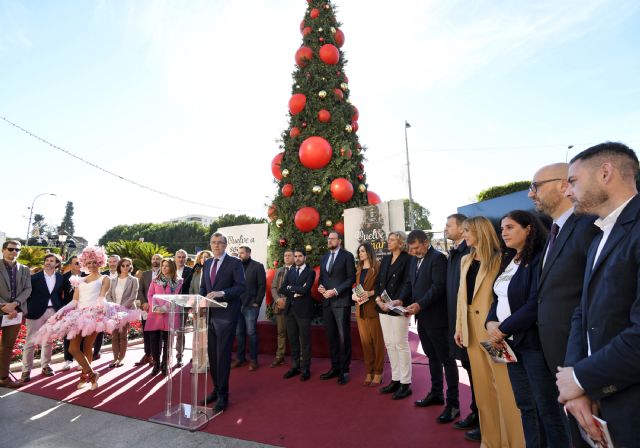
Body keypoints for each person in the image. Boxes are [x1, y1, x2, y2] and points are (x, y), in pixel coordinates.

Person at [558, 142, 640, 447]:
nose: (568, 192)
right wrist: (576, 383)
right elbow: (583, 311)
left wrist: (580, 378)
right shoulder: (598, 237)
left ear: (606, 172)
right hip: (601, 397)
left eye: (574, 181)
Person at [529, 162, 599, 447]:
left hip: (581, 358)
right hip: (555, 353)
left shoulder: (587, 226)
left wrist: (580, 365)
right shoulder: (555, 232)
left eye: (536, 186)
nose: (530, 194)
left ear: (563, 185)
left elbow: (592, 297)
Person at [486, 210, 570, 447]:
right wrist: (490, 322)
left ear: (529, 229)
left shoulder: (538, 260)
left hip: (531, 344)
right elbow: (498, 297)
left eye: (510, 227)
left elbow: (535, 302)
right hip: (508, 345)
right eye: (502, 228)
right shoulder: (509, 260)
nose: (504, 233)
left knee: (547, 408)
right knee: (525, 405)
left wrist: (503, 328)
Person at [454, 217, 524, 446]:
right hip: (471, 333)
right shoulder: (465, 260)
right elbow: (461, 297)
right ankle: (490, 441)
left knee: (505, 390)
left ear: (480, 232)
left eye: (467, 231)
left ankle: (513, 442)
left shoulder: (500, 259)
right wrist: (459, 327)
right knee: (482, 391)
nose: (464, 234)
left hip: (494, 332)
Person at [36, 246, 137, 390]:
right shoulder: (79, 280)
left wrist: (104, 308)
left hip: (94, 315)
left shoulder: (105, 278)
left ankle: (85, 376)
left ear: (100, 262)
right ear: (84, 263)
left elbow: (102, 296)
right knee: (73, 348)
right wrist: (62, 310)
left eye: (94, 262)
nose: (91, 265)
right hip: (78, 315)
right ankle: (92, 374)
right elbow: (75, 301)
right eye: (88, 262)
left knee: (88, 346)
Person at [404, 230, 459, 424]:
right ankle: (436, 393)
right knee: (432, 358)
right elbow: (412, 285)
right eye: (410, 249)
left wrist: (420, 304)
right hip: (422, 319)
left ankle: (453, 404)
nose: (413, 252)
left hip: (437, 318)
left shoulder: (438, 258)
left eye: (416, 248)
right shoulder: (413, 259)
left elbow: (438, 287)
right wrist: (400, 301)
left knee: (447, 360)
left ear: (426, 243)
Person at [199, 232, 246, 413]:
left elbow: (241, 286)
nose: (216, 245)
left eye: (220, 243)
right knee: (212, 355)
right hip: (211, 315)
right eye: (213, 243)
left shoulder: (235, 263)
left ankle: (223, 396)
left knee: (223, 355)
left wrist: (222, 293)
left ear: (226, 245)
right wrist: (201, 301)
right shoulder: (208, 263)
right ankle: (216, 389)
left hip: (227, 315)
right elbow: (204, 287)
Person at [444, 214, 480, 439]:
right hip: (457, 324)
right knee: (469, 369)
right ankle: (477, 413)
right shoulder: (456, 254)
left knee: (477, 374)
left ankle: (481, 416)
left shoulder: (469, 254)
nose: (445, 228)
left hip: (471, 325)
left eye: (449, 225)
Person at [375, 231, 412, 399]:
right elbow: (379, 282)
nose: (388, 242)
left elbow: (408, 283)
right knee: (389, 343)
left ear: (401, 242)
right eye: (388, 240)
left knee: (400, 343)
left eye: (392, 240)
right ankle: (395, 379)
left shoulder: (408, 259)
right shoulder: (385, 259)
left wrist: (399, 300)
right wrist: (378, 299)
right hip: (383, 306)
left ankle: (405, 383)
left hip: (398, 307)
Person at [318, 231, 356, 385]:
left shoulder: (347, 256)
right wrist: (321, 287)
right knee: (331, 337)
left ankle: (345, 370)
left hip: (341, 302)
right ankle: (334, 367)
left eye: (332, 239)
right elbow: (322, 278)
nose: (329, 241)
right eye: (328, 239)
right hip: (327, 302)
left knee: (343, 337)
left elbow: (351, 278)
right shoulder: (324, 257)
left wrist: (335, 291)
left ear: (339, 241)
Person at [21, 253, 65, 382]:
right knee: (30, 342)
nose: (48, 262)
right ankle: (26, 371)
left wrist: (60, 310)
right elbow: (27, 295)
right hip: (35, 312)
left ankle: (46, 366)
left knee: (48, 341)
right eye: (46, 260)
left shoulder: (60, 278)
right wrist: (26, 310)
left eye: (51, 260)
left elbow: (59, 294)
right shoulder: (34, 278)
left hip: (53, 312)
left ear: (57, 264)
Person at [280, 248, 316, 381]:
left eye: (300, 256)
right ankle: (295, 367)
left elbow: (306, 290)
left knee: (305, 341)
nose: (297, 258)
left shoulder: (310, 272)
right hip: (290, 310)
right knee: (293, 340)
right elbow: (282, 288)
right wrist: (295, 291)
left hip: (304, 311)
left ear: (305, 257)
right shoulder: (290, 271)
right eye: (295, 256)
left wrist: (291, 288)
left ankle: (306, 368)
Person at [0, 241, 32, 388]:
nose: (14, 252)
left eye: (17, 249)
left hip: (16, 312)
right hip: (3, 308)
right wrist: (3, 306)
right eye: (11, 249)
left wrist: (14, 304)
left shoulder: (24, 269)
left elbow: (28, 289)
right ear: (3, 250)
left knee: (7, 346)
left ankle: (3, 378)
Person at [352, 242, 384, 386]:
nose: (361, 253)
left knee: (377, 343)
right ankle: (369, 371)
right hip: (360, 310)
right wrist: (354, 295)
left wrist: (370, 293)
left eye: (363, 251)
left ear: (369, 252)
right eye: (359, 251)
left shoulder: (378, 266)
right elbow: (356, 287)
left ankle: (378, 372)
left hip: (373, 309)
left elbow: (383, 287)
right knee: (366, 343)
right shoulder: (358, 268)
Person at [146, 258, 183, 376]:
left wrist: (165, 308)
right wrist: (155, 307)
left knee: (168, 341)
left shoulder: (178, 281)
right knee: (154, 340)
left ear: (172, 267)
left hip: (169, 313)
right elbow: (150, 294)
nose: (164, 268)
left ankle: (164, 364)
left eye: (167, 266)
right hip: (155, 314)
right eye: (163, 266)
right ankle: (156, 364)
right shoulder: (155, 280)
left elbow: (176, 296)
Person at [233, 245, 266, 371]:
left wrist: (257, 302)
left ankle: (253, 360)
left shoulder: (257, 266)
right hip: (237, 305)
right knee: (239, 333)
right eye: (239, 253)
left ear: (249, 253)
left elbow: (262, 286)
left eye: (242, 253)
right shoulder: (236, 267)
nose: (240, 255)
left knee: (251, 333)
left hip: (251, 306)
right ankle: (240, 358)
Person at [106, 257, 139, 368]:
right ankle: (115, 358)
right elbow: (108, 295)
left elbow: (132, 297)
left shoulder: (134, 280)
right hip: (113, 311)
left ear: (130, 266)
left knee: (123, 335)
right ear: (119, 266)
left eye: (128, 265)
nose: (125, 267)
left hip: (126, 311)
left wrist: (122, 309)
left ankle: (121, 359)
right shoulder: (113, 280)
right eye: (123, 265)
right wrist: (114, 307)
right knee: (114, 336)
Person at [135, 253, 163, 367]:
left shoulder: (165, 274)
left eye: (158, 259)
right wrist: (144, 303)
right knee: (146, 332)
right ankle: (147, 354)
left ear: (162, 261)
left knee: (158, 334)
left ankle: (157, 357)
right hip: (146, 308)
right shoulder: (145, 274)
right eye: (153, 258)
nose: (155, 260)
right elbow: (139, 290)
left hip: (159, 309)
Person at [189, 250, 213, 374]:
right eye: (202, 257)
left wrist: (204, 305)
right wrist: (194, 306)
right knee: (197, 337)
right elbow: (192, 290)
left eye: (207, 257)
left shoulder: (212, 273)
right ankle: (198, 361)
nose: (204, 259)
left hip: (209, 309)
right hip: (197, 309)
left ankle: (207, 362)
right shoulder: (196, 273)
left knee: (206, 337)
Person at [269, 249, 294, 367]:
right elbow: (273, 287)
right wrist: (278, 299)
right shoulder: (279, 270)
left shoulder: (297, 270)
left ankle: (298, 358)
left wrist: (287, 301)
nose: (287, 257)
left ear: (294, 257)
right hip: (279, 305)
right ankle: (279, 356)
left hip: (293, 305)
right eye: (285, 255)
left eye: (289, 255)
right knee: (281, 332)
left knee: (296, 332)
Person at [94, 254, 120, 360]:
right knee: (99, 330)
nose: (112, 264)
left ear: (119, 262)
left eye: (114, 261)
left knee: (118, 333)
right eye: (110, 262)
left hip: (118, 307)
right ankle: (96, 352)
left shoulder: (123, 274)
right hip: (102, 306)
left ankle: (118, 355)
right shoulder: (102, 275)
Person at [61, 255, 85, 371]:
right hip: (69, 311)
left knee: (82, 336)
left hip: (84, 310)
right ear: (70, 264)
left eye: (80, 263)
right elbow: (59, 294)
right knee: (68, 336)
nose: (79, 265)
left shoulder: (87, 277)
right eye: (76, 263)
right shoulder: (64, 277)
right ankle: (68, 360)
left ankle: (81, 360)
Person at [174, 249, 193, 367]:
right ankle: (164, 358)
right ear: (175, 258)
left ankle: (179, 357)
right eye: (179, 257)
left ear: (186, 259)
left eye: (183, 257)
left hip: (183, 305)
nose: (181, 259)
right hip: (168, 305)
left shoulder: (190, 271)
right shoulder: (168, 269)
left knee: (180, 331)